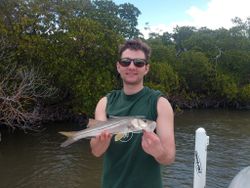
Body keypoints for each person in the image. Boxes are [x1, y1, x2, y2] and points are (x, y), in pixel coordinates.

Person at [90, 39, 176, 188]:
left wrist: (158, 152)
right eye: (125, 62)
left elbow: (169, 158)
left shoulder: (160, 103)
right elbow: (96, 152)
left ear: (146, 68)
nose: (131, 66)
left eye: (138, 63)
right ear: (118, 66)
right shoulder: (104, 102)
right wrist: (101, 143)